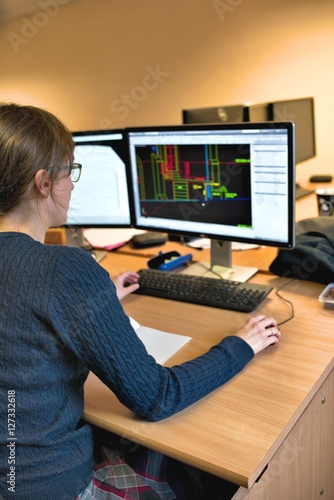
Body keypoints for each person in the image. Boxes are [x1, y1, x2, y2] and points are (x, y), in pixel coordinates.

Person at [0, 102, 281, 500]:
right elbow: (157, 397)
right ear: (44, 183)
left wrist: (92, 304)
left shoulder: (60, 279)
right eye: (70, 171)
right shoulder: (66, 270)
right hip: (47, 486)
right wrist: (243, 344)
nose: (73, 185)